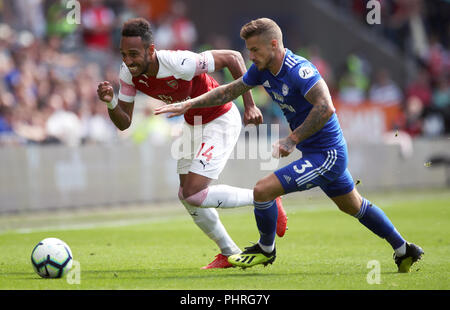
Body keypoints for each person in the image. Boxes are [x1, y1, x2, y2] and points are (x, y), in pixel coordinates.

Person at [154, 18, 424, 273]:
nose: (251, 56)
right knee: (354, 206)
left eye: (255, 49)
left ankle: (265, 249)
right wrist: (190, 104)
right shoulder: (262, 70)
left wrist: (292, 139)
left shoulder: (299, 70)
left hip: (327, 155)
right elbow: (230, 90)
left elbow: (326, 107)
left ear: (274, 44)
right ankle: (404, 249)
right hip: (319, 154)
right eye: (248, 50)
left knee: (263, 190)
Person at [96, 18, 287, 269]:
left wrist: (249, 106)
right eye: (124, 54)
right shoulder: (127, 74)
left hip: (221, 117)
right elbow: (124, 123)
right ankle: (229, 253)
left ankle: (265, 198)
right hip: (192, 122)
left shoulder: (179, 62)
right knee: (186, 195)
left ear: (150, 50)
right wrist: (110, 102)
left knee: (194, 193)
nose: (128, 61)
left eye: (134, 54)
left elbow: (233, 58)